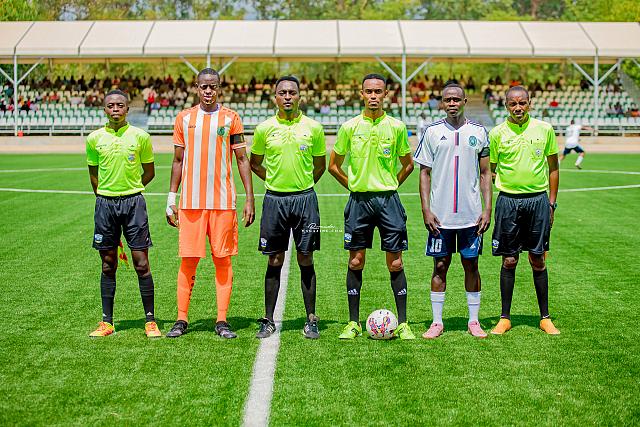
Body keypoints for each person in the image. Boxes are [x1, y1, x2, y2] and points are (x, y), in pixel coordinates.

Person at [165, 68, 255, 339]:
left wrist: (250, 197)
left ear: (219, 88)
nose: (208, 91)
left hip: (222, 203)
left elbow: (242, 159)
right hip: (190, 203)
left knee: (222, 261)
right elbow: (178, 160)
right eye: (204, 86)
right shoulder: (184, 118)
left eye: (213, 86)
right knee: (188, 261)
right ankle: (181, 319)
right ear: (196, 88)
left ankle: (222, 320)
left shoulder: (231, 118)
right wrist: (171, 198)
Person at [328, 73, 416, 340]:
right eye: (369, 91)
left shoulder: (397, 127)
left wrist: (391, 184)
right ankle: (353, 323)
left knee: (396, 263)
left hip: (389, 201)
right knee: (356, 261)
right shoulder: (349, 127)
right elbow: (333, 166)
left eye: (378, 91)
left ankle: (403, 323)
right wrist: (354, 185)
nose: (373, 96)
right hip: (359, 202)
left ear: (386, 94)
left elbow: (408, 165)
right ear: (362, 94)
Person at [250, 76, 326, 339]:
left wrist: (303, 185)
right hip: (275, 200)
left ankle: (311, 319)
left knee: (306, 257)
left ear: (299, 97)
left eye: (292, 92)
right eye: (282, 92)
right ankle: (268, 320)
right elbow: (255, 163)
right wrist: (274, 181)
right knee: (274, 259)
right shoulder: (264, 128)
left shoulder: (314, 128)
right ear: (275, 98)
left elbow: (320, 166)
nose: (287, 97)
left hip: (305, 200)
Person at [414, 82, 492, 339]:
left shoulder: (479, 131)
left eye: (456, 99)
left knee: (472, 265)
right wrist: (426, 209)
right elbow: (424, 173)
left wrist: (487, 208)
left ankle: (474, 321)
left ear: (464, 101)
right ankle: (437, 322)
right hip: (440, 216)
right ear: (441, 103)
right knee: (440, 266)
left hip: (471, 215)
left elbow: (485, 173)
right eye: (447, 99)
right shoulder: (432, 131)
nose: (452, 103)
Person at [86, 89, 160, 338]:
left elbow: (149, 172)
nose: (115, 109)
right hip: (105, 205)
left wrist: (131, 189)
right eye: (111, 105)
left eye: (120, 105)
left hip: (134, 204)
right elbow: (93, 176)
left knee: (141, 263)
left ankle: (150, 321)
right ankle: (107, 322)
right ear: (104, 110)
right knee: (108, 264)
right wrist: (106, 196)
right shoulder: (94, 139)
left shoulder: (141, 137)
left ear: (127, 109)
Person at [489, 85, 560, 336]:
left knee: (538, 259)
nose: (518, 108)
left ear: (529, 103)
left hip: (538, 201)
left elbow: (553, 168)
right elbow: (490, 169)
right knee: (509, 260)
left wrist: (551, 203)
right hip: (508, 202)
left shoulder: (545, 129)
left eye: (522, 103)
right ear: (506, 106)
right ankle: (504, 318)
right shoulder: (496, 133)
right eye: (513, 104)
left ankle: (545, 318)